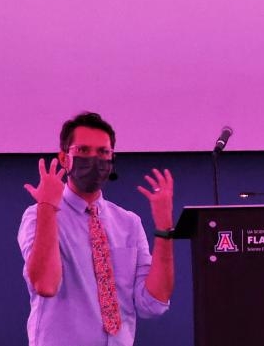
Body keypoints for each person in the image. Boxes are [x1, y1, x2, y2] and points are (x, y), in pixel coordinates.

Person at [18, 112, 175, 345]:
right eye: (83, 151)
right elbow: (46, 284)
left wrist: (164, 229)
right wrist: (47, 206)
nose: (94, 159)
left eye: (103, 152)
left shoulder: (129, 223)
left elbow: (153, 303)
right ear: (64, 158)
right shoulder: (38, 215)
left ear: (112, 159)